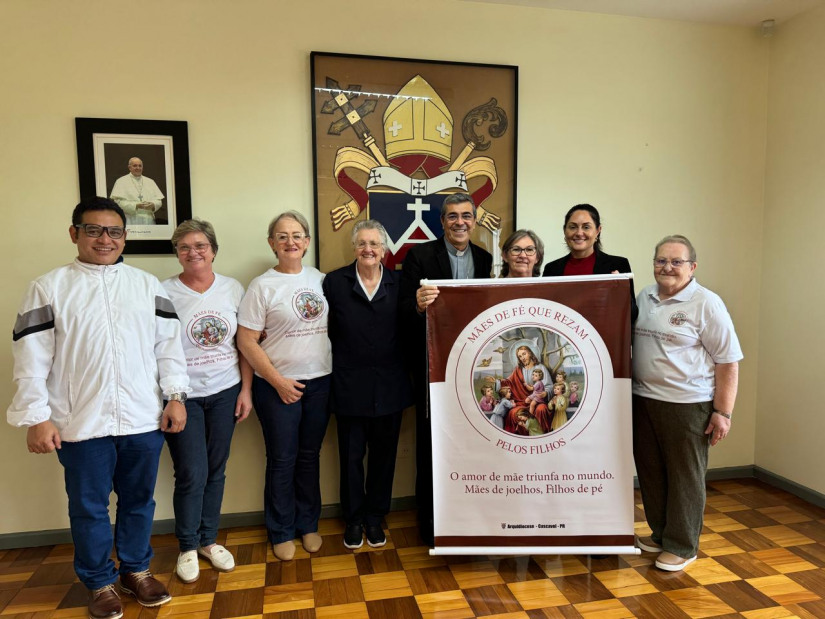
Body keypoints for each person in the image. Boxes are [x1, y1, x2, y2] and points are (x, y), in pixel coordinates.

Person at [7, 197, 189, 619]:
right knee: (88, 506)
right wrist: (37, 417)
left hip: (143, 416)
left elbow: (169, 349)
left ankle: (136, 570)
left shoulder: (147, 286)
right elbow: (30, 359)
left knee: (139, 500)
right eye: (94, 230)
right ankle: (99, 581)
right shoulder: (48, 287)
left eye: (114, 232)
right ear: (74, 234)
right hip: (79, 421)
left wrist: (175, 397)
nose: (105, 239)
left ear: (125, 237)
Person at [632, 235, 742, 572]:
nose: (667, 267)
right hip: (643, 400)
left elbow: (728, 362)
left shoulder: (706, 303)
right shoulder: (645, 296)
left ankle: (683, 545)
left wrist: (723, 412)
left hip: (687, 405)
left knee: (685, 477)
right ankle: (662, 533)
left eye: (676, 261)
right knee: (651, 471)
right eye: (661, 260)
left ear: (692, 267)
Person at [161, 219, 253, 583]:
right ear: (177, 254)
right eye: (184, 247)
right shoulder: (163, 290)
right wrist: (172, 397)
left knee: (217, 469)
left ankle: (208, 540)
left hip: (226, 391)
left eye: (200, 245)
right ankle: (186, 546)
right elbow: (158, 348)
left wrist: (246, 390)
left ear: (213, 250)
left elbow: (244, 343)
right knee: (191, 473)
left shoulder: (232, 289)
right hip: (184, 397)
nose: (193, 252)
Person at [236, 211, 331, 562]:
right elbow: (246, 341)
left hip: (320, 382)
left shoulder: (321, 280)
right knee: (282, 460)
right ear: (271, 243)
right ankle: (280, 530)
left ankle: (308, 525)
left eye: (297, 235)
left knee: (309, 458)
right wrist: (278, 382)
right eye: (282, 235)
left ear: (306, 242)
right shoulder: (262, 286)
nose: (290, 241)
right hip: (275, 387)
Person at [399, 192, 493, 546]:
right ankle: (432, 524)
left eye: (466, 216)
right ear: (442, 222)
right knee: (432, 445)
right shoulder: (419, 256)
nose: (459, 223)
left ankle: (474, 518)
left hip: (476, 370)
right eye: (452, 217)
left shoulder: (486, 260)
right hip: (433, 368)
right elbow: (402, 310)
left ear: (474, 220)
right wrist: (419, 307)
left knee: (477, 439)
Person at [323, 219, 413, 550]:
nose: (368, 249)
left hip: (390, 385)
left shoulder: (401, 283)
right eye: (362, 243)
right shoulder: (334, 282)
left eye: (374, 243)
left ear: (385, 249)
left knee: (383, 458)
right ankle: (354, 519)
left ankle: (375, 518)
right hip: (348, 385)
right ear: (353, 247)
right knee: (350, 458)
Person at [542, 204, 638, 322]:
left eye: (586, 227)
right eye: (572, 227)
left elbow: (632, 315)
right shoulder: (552, 269)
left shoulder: (617, 265)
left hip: (603, 339)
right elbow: (545, 314)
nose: (579, 233)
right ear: (564, 231)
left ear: (598, 231)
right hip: (562, 339)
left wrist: (620, 294)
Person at [110, 157, 164, 225]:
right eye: (135, 165)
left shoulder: (150, 181)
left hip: (148, 221)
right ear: (129, 167)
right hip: (130, 220)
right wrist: (136, 205)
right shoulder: (121, 181)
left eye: (140, 166)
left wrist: (153, 205)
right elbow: (118, 202)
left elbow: (159, 201)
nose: (138, 168)